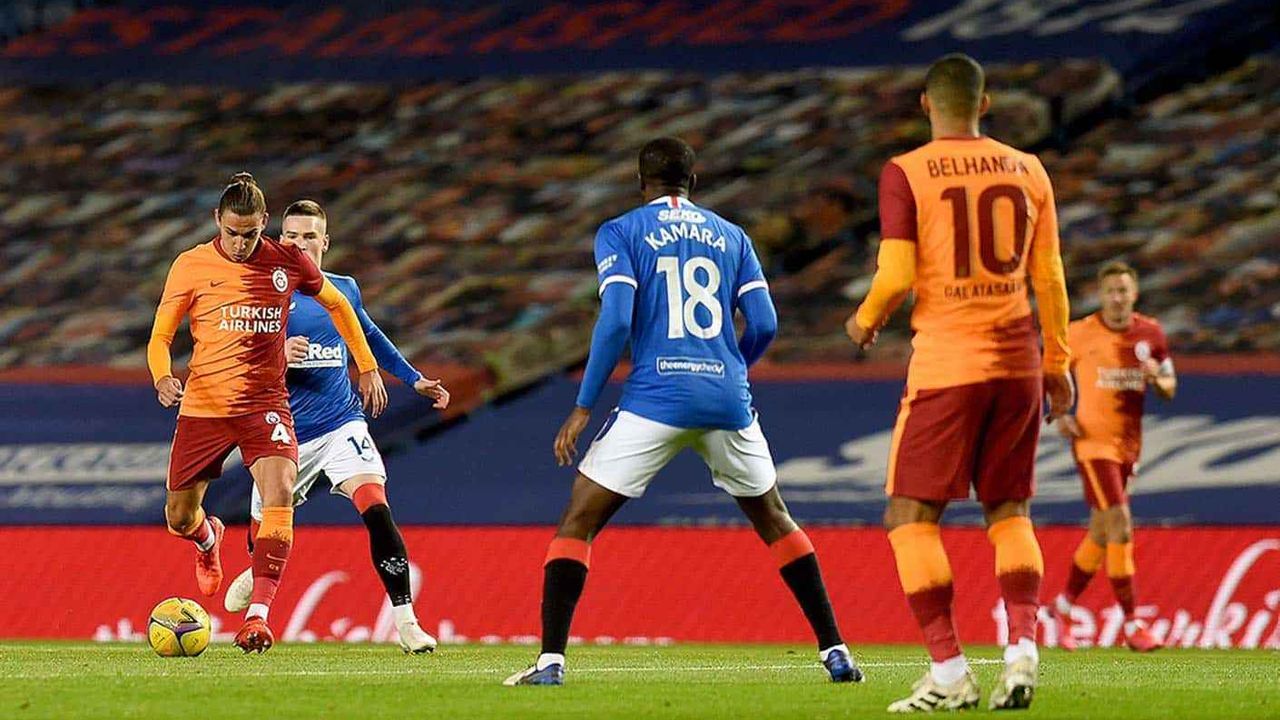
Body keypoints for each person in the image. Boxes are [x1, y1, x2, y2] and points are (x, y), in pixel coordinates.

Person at [504, 137, 863, 686]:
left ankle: (550, 663)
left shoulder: (621, 231)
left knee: (579, 520)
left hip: (655, 397)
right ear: (693, 182)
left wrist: (583, 406)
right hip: (726, 400)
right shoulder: (733, 236)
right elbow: (765, 324)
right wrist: (731, 369)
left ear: (640, 182)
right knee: (775, 518)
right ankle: (836, 652)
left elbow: (616, 321)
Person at [845, 54, 1072, 712]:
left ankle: (948, 672)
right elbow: (1050, 277)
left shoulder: (907, 172)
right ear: (986, 104)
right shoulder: (1029, 169)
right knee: (1010, 512)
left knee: (910, 518)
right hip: (1018, 363)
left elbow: (895, 275)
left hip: (948, 365)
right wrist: (1057, 364)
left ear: (925, 105)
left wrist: (865, 321)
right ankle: (1022, 652)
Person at [148, 174, 387, 653]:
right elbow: (161, 336)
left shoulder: (287, 260)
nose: (240, 243)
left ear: (264, 224)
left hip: (266, 404)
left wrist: (366, 364)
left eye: (250, 233)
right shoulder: (191, 265)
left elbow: (340, 306)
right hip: (206, 407)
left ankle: (257, 618)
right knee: (178, 517)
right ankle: (207, 539)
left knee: (279, 494)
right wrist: (162, 377)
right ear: (217, 220)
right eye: (232, 233)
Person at [221, 199, 450, 654]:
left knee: (376, 506)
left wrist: (414, 379)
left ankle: (407, 621)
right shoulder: (257, 291)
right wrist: (277, 354)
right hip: (282, 433)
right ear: (278, 240)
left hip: (340, 424)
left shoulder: (343, 289)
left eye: (309, 236)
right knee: (264, 535)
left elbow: (369, 336)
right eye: (291, 236)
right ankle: (257, 566)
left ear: (324, 242)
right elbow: (232, 360)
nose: (299, 244)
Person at [1050, 261, 1175, 652]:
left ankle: (1062, 608)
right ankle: (1134, 624)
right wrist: (1060, 414)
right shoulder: (1079, 333)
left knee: (1102, 532)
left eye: (1123, 291)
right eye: (1110, 292)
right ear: (1100, 296)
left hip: (1129, 447)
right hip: (1092, 444)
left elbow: (1170, 384)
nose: (1117, 298)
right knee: (1120, 524)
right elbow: (1049, 374)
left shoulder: (1151, 333)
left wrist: (1158, 379)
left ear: (1134, 294)